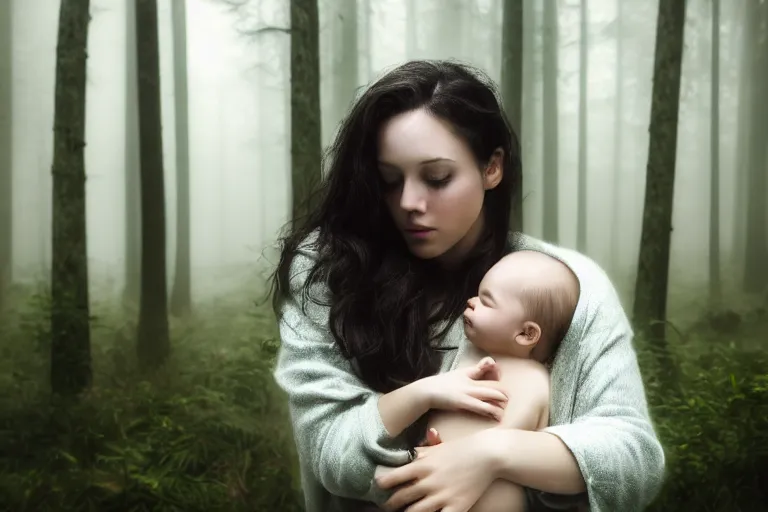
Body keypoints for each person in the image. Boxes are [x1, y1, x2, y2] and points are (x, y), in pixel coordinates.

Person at [270, 59, 665, 512]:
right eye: (388, 181)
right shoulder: (331, 273)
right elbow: (330, 451)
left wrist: (491, 455)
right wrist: (434, 435)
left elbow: (634, 462)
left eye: (437, 178)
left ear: (492, 167)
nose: (408, 203)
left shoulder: (565, 284)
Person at [374, 249, 581, 512]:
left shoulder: (534, 378)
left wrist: (463, 453)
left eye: (487, 301)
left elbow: (516, 430)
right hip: (438, 488)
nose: (471, 301)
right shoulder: (468, 357)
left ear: (526, 333)